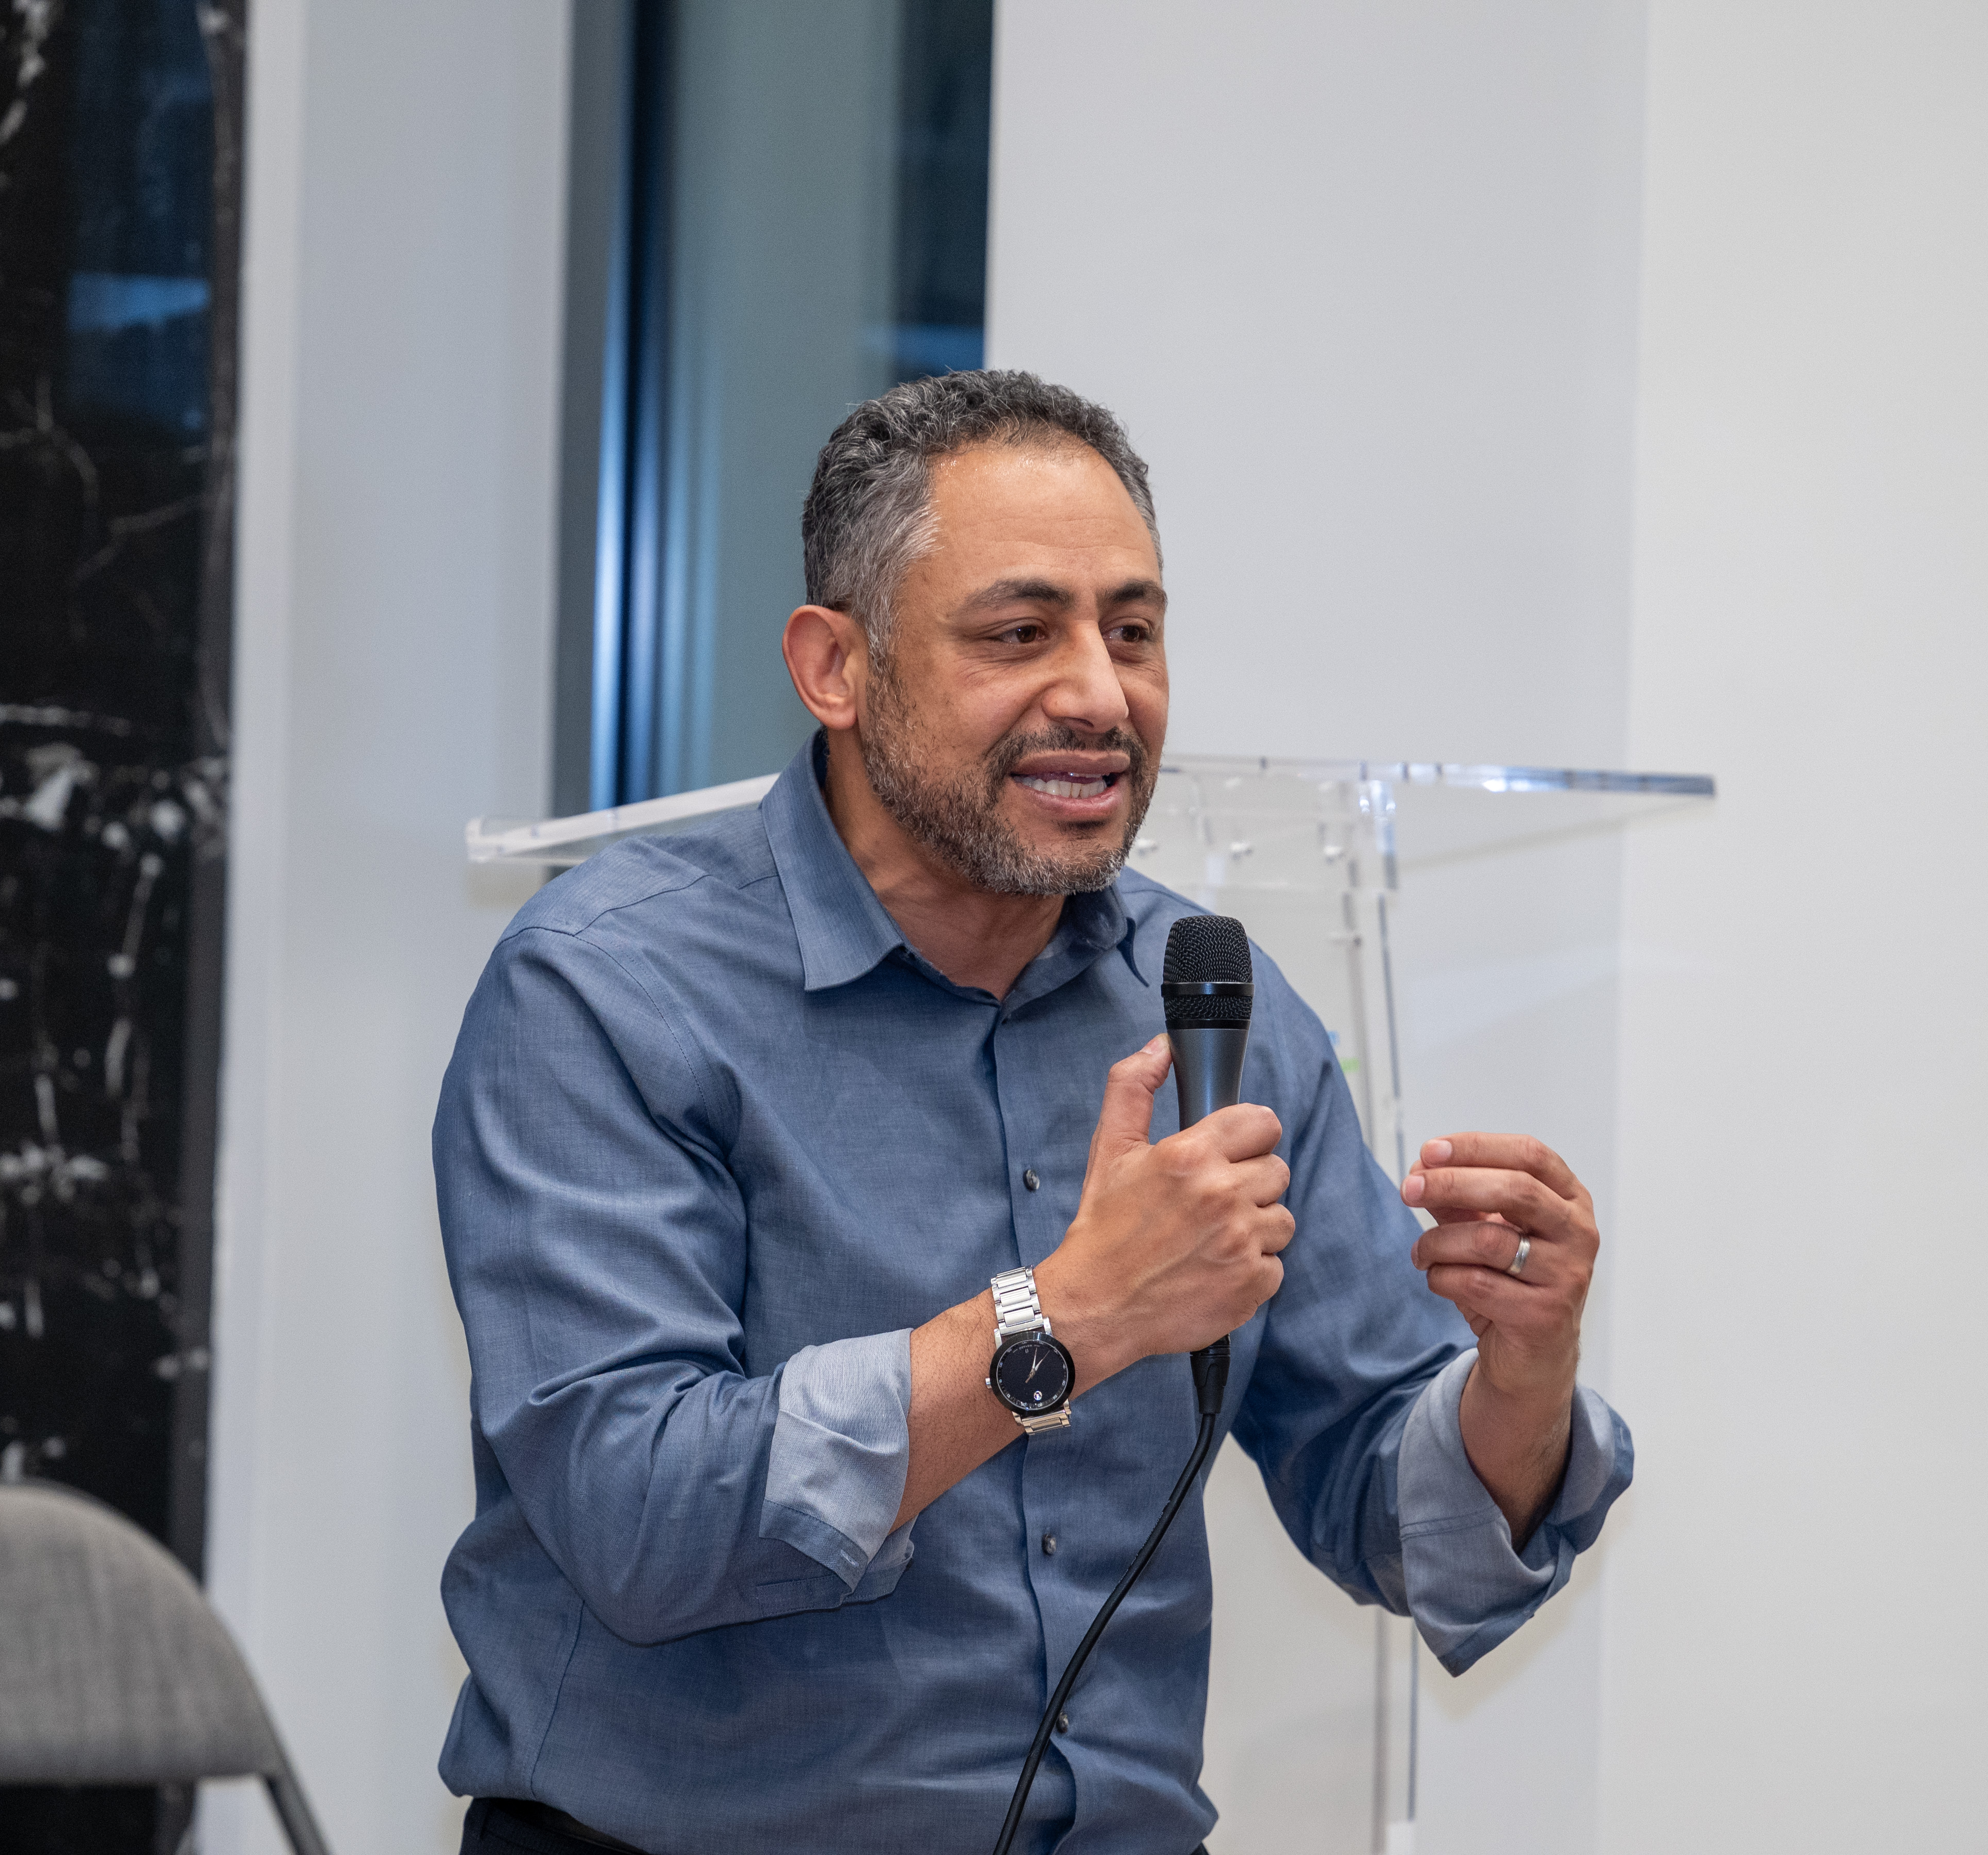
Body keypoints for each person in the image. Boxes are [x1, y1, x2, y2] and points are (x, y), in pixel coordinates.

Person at [432, 370, 1631, 1855]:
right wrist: (1061, 1318)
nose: (1102, 696)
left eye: (1133, 631)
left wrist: (1520, 1383)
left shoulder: (1213, 1008)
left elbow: (1394, 1510)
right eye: (1020, 633)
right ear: (834, 666)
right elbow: (640, 1518)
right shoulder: (608, 988)